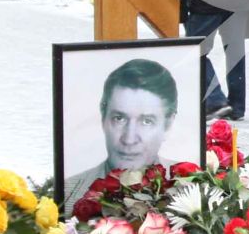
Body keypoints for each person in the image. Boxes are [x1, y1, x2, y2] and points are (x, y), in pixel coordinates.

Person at [59, 58, 183, 209]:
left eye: (146, 121)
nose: (129, 139)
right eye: (119, 118)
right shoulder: (68, 194)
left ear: (168, 125)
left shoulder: (189, 187)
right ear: (103, 117)